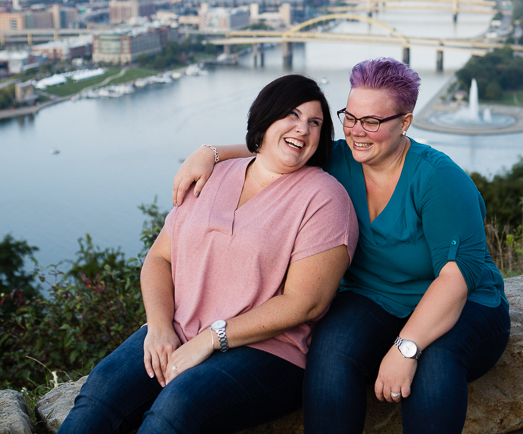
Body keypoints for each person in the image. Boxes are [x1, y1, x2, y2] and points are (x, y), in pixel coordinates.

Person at [172, 58, 510, 434]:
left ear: (405, 122)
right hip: (373, 299)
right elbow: (275, 148)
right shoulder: (337, 161)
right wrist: (212, 152)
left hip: (463, 306)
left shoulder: (439, 179)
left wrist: (405, 348)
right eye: (350, 117)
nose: (356, 131)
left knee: (436, 365)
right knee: (330, 355)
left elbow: (455, 280)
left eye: (372, 121)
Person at [58, 74, 359, 434]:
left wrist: (210, 339)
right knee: (101, 388)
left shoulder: (324, 198)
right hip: (180, 329)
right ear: (266, 118)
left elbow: (305, 303)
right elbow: (159, 259)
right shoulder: (212, 175)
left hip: (268, 351)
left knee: (176, 408)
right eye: (291, 115)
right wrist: (157, 328)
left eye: (315, 123)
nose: (302, 129)